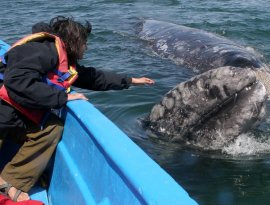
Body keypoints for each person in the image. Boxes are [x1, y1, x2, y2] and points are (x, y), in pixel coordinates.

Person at [0, 16, 154, 202]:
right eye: (85, 43)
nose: (86, 48)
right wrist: (62, 97)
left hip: (14, 109)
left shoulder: (62, 60)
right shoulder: (43, 51)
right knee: (38, 126)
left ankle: (13, 177)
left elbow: (94, 77)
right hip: (5, 109)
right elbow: (17, 81)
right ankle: (9, 183)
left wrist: (130, 81)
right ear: (74, 41)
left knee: (51, 126)